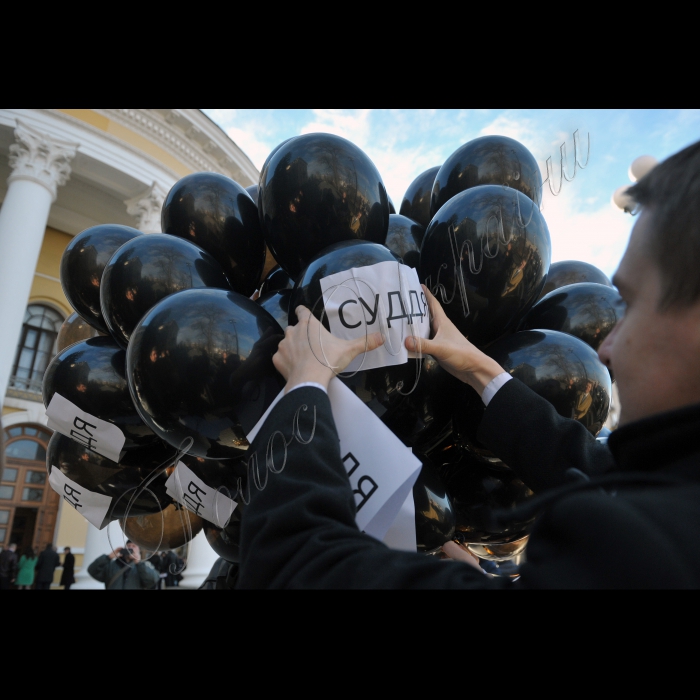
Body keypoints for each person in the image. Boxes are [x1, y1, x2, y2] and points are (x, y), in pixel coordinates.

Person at [236, 139, 700, 589]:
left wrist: (304, 388)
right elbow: (594, 471)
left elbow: (295, 564)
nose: (606, 349)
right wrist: (481, 369)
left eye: (633, 303)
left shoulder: (650, 548)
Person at [87, 540, 159, 590]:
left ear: (139, 550)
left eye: (134, 546)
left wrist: (138, 563)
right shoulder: (112, 565)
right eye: (128, 545)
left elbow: (152, 580)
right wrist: (108, 557)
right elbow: (92, 570)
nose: (130, 547)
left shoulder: (144, 565)